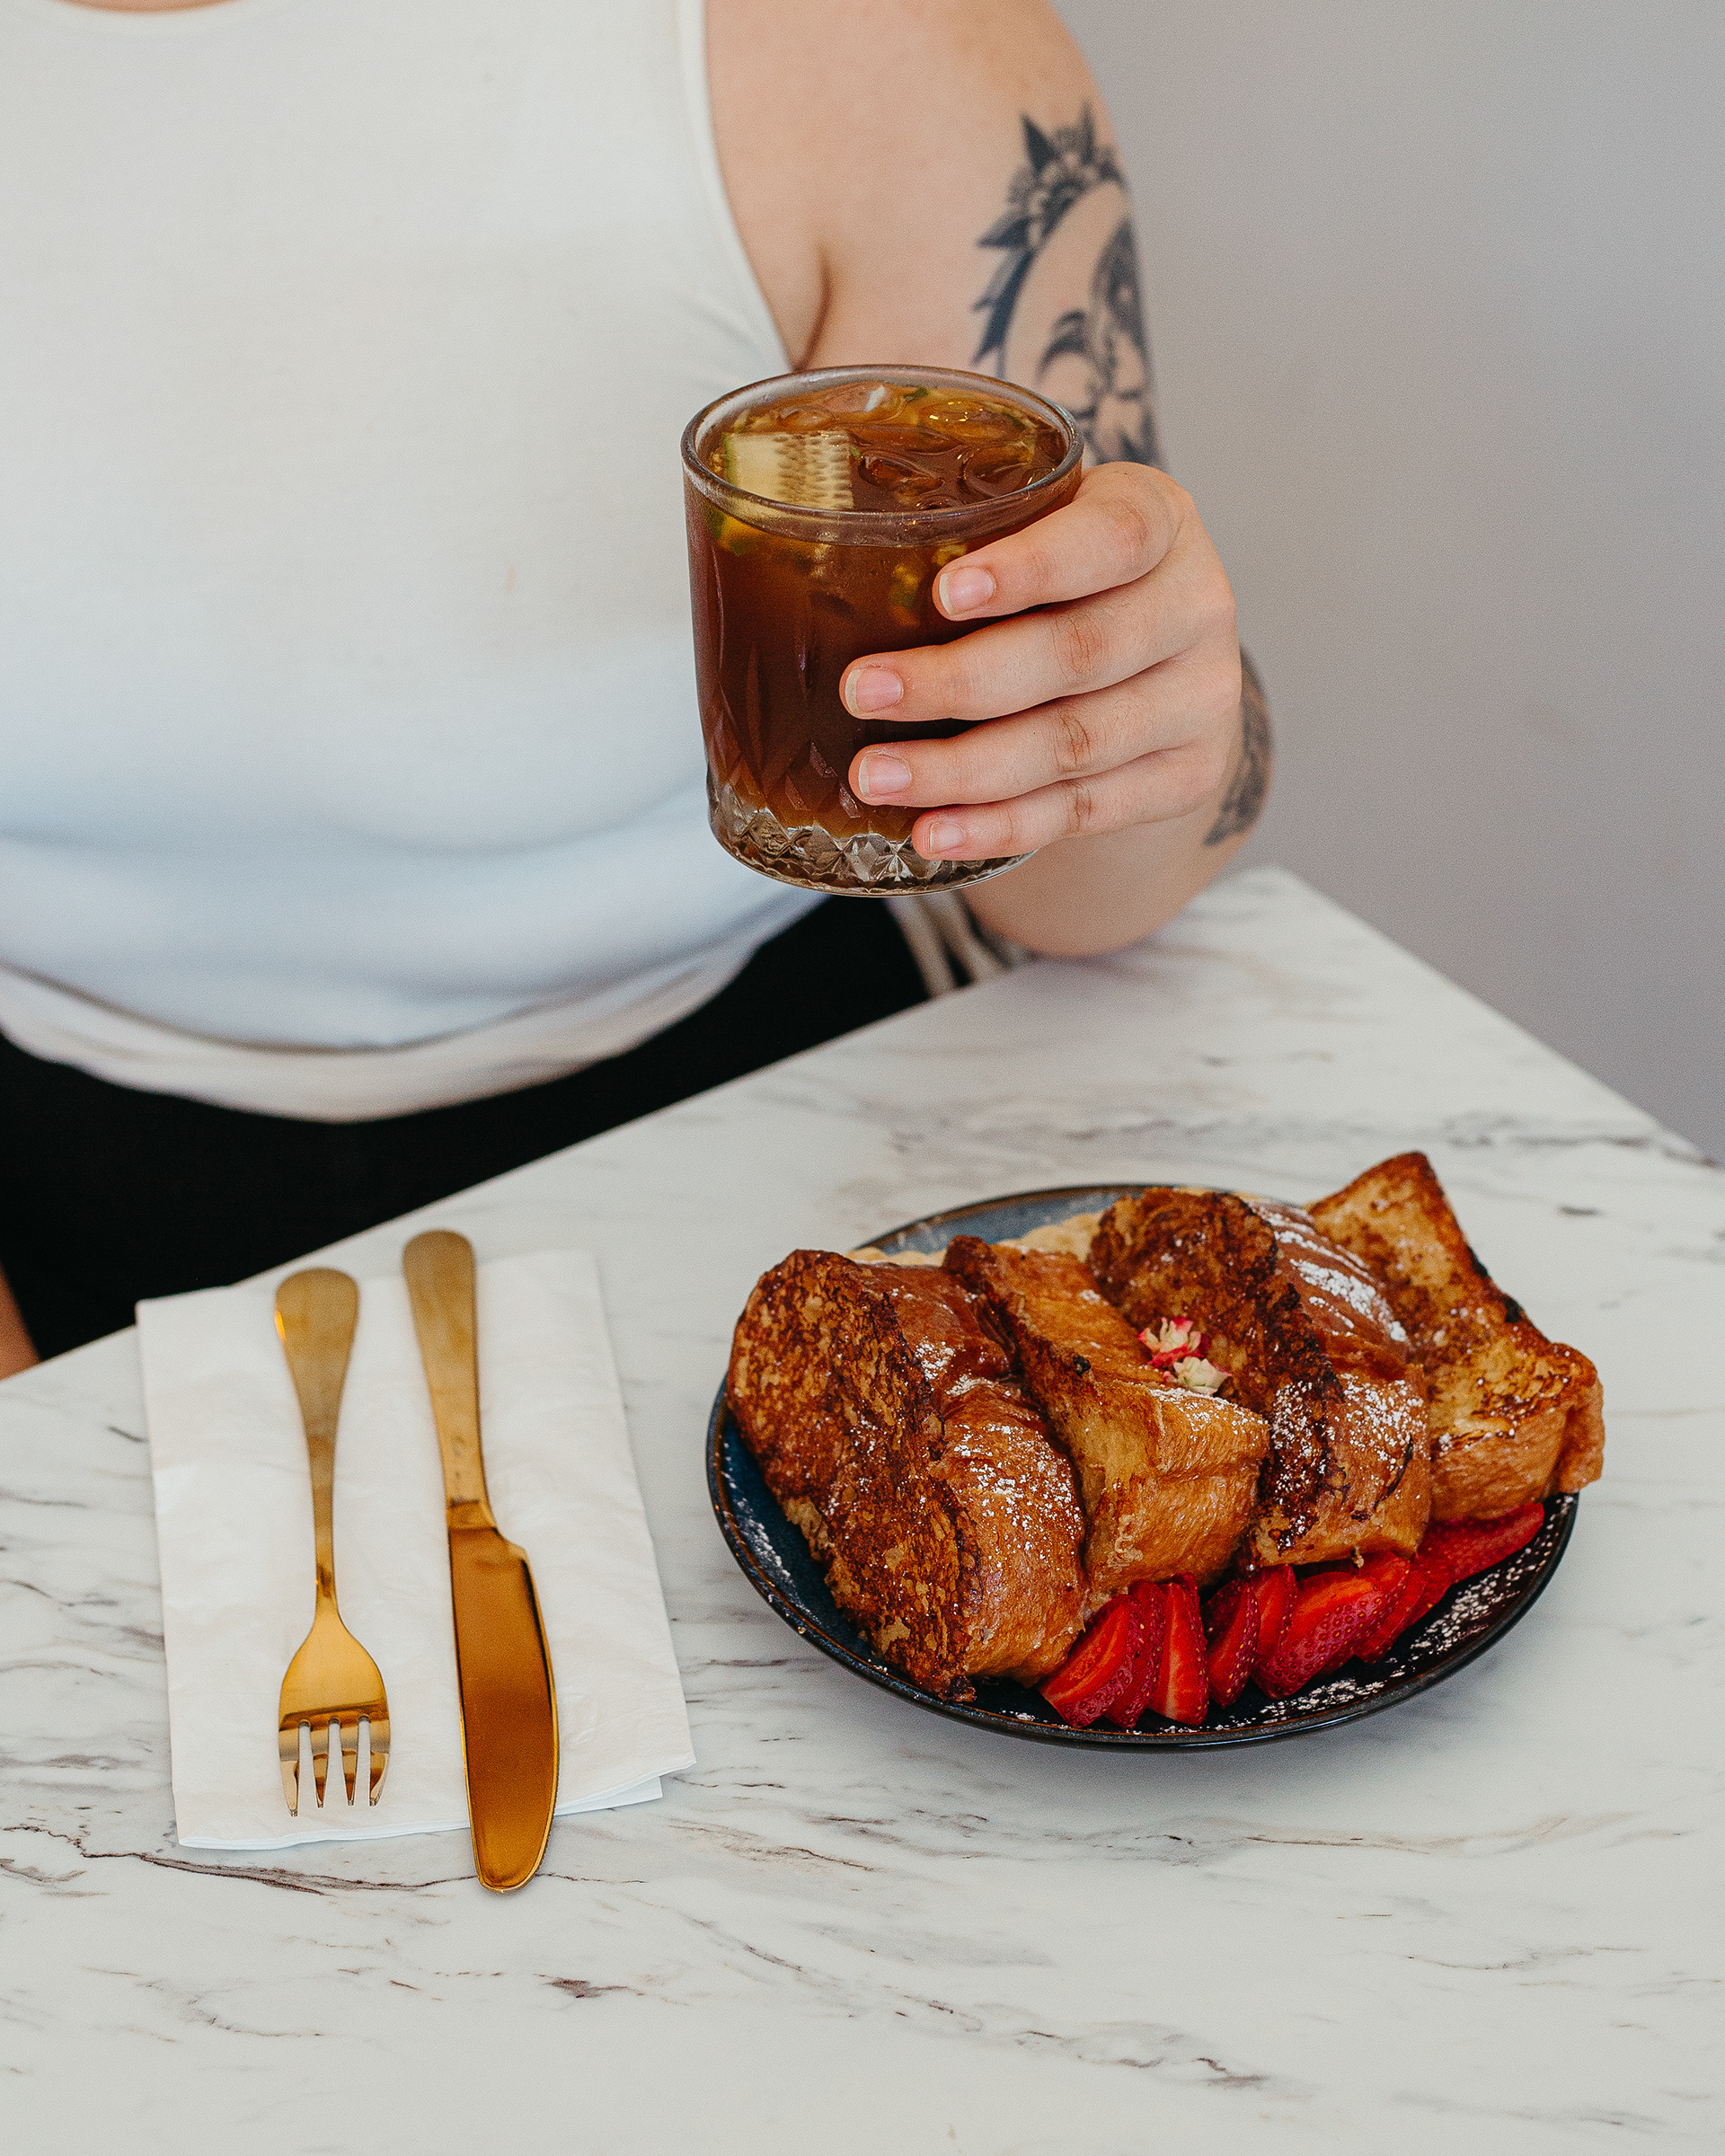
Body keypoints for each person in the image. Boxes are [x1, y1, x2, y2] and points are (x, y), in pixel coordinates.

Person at [0, 0, 1270, 1374]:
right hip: (45, 1171)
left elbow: (1073, 892)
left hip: (764, 1096)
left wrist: (1132, 719)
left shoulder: (865, 46)